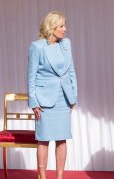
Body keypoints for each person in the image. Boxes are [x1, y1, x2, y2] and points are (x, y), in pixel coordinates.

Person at [27, 11, 77, 179]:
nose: (65, 29)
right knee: (43, 139)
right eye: (62, 26)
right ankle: (42, 176)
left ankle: (59, 177)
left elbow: (71, 70)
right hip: (44, 100)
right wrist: (33, 102)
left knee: (62, 139)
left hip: (64, 98)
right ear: (52, 27)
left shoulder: (66, 44)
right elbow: (31, 76)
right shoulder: (37, 46)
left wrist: (73, 96)